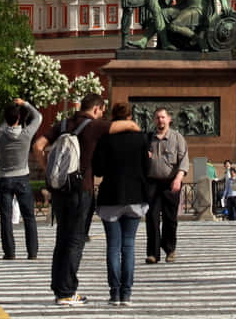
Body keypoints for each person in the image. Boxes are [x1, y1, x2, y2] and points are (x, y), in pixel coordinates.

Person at [47, 93, 105, 307]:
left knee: (62, 238)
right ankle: (67, 292)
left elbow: (38, 146)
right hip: (81, 190)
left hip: (60, 190)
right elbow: (120, 127)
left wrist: (52, 172)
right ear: (97, 109)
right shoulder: (94, 126)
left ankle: (59, 287)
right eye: (102, 112)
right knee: (75, 240)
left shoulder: (62, 124)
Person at [92, 102, 151, 306]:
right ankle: (127, 293)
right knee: (129, 246)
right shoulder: (141, 139)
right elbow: (147, 168)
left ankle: (114, 293)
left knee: (113, 247)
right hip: (135, 196)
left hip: (111, 196)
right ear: (130, 117)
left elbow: (98, 169)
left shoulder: (105, 139)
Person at [0, 98, 42, 262]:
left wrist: (8, 116)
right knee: (29, 217)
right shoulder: (26, 135)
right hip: (22, 178)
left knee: (5, 218)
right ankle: (32, 252)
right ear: (19, 118)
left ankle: (10, 252)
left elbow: (2, 127)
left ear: (6, 119)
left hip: (5, 179)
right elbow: (38, 117)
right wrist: (24, 104)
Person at [143, 108, 189, 265]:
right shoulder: (148, 138)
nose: (160, 120)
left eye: (163, 117)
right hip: (152, 182)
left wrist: (178, 178)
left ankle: (170, 249)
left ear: (169, 119)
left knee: (170, 219)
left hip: (171, 182)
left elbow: (184, 160)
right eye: (157, 118)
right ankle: (153, 253)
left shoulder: (177, 138)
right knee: (152, 219)